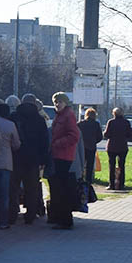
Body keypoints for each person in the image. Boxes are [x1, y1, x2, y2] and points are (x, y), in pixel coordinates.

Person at [47, 92, 80, 229]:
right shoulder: (60, 116)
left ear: (65, 103)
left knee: (62, 188)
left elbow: (74, 136)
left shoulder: (68, 115)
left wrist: (57, 144)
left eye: (60, 102)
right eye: (55, 102)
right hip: (58, 155)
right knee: (58, 187)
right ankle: (60, 217)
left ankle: (65, 219)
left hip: (64, 155)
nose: (57, 104)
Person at [15, 94, 50, 223]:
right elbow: (44, 141)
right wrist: (43, 159)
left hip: (16, 156)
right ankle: (30, 215)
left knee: (14, 187)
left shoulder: (15, 117)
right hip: (34, 158)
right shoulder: (39, 119)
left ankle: (12, 213)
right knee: (32, 188)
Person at [0, 102, 20, 230]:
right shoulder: (10, 125)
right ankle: (3, 221)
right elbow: (16, 144)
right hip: (5, 163)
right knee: (3, 194)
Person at [103, 107, 132, 190]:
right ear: (122, 113)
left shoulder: (111, 122)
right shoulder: (126, 122)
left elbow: (106, 134)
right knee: (122, 165)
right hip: (123, 146)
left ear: (114, 114)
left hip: (112, 147)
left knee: (111, 166)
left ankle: (111, 184)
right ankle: (121, 184)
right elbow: (130, 134)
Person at [77, 107, 103, 186]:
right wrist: (94, 141)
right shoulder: (96, 124)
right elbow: (100, 136)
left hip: (82, 147)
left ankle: (80, 179)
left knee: (81, 164)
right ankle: (88, 181)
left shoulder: (80, 124)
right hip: (91, 147)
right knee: (90, 165)